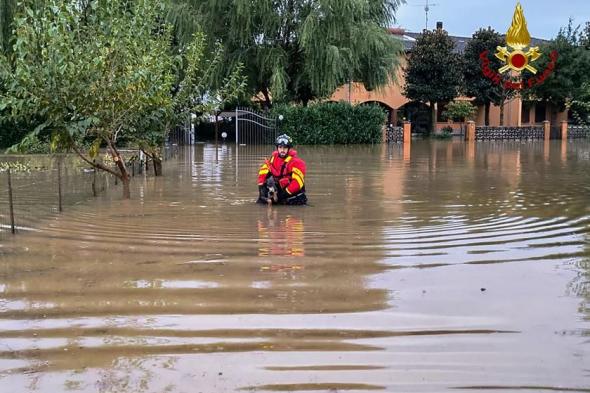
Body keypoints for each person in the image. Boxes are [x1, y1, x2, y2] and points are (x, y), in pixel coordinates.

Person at [257, 134, 307, 205]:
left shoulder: (297, 162)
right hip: (278, 194)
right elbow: (263, 173)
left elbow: (297, 182)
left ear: (289, 148)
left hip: (294, 198)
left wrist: (283, 195)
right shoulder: (273, 158)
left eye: (285, 148)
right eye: (280, 147)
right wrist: (261, 192)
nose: (282, 150)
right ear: (277, 148)